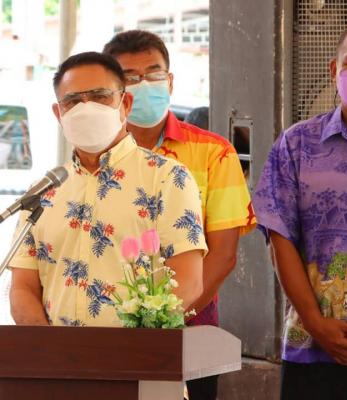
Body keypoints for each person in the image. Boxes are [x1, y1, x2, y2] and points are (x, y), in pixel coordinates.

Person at [103, 30, 255, 400]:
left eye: (154, 74)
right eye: (130, 77)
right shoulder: (96, 155)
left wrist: (163, 322)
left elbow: (223, 254)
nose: (144, 85)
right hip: (107, 333)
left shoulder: (214, 152)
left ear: (170, 82)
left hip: (193, 330)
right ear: (114, 90)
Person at [254, 20, 347, 399]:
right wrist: (315, 323)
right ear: (334, 70)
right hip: (310, 348)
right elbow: (279, 238)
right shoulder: (296, 144)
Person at [9, 51, 207, 327]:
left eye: (100, 96)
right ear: (59, 113)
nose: (86, 108)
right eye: (73, 101)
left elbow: (188, 281)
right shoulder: (43, 193)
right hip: (55, 353)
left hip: (137, 351)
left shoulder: (167, 179)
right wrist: (48, 347)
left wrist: (133, 345)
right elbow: (22, 288)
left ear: (125, 103)